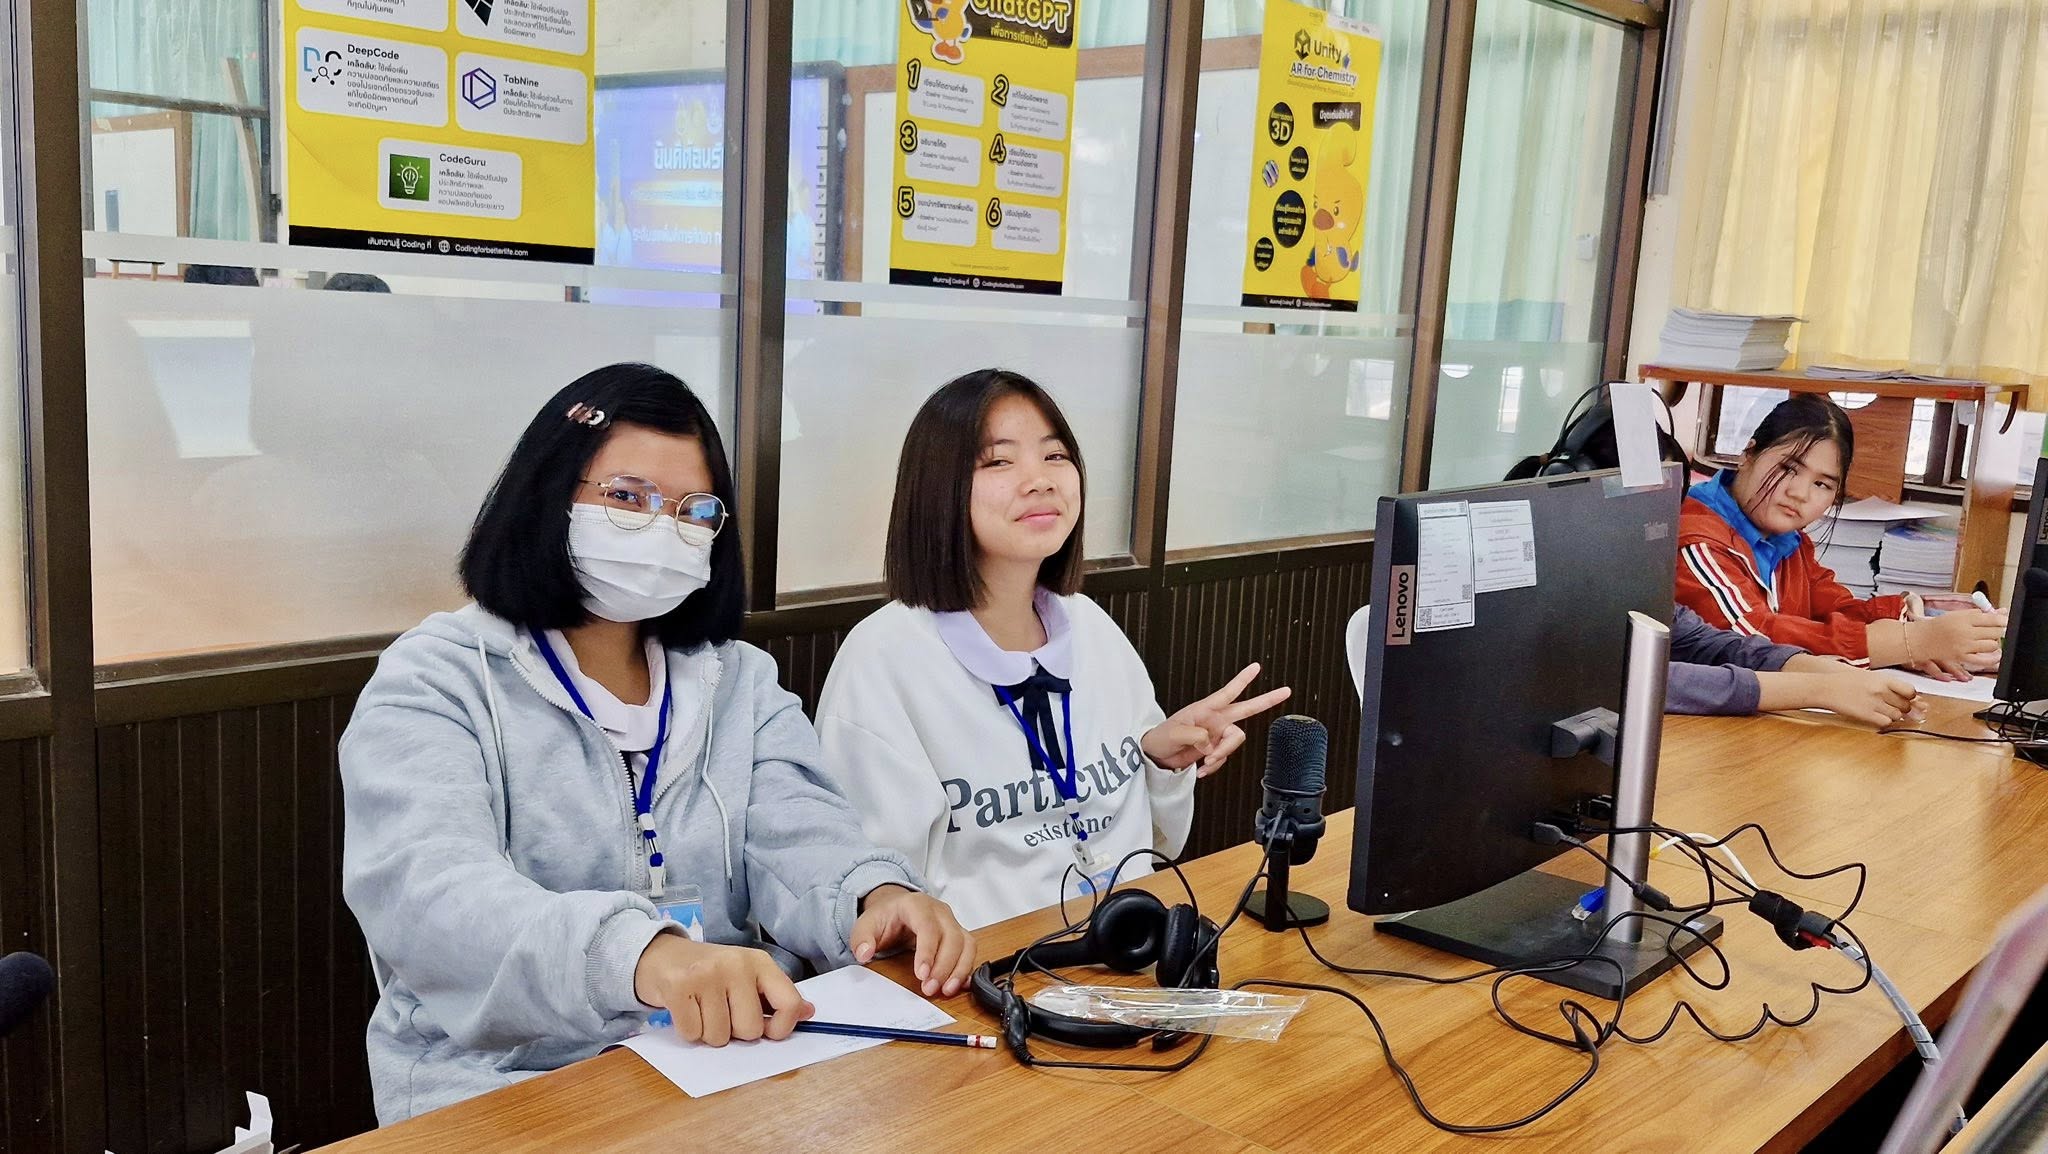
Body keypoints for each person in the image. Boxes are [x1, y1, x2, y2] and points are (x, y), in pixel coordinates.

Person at [339, 363, 974, 1124]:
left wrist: (873, 896)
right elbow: (432, 899)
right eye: (626, 497)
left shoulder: (735, 679)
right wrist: (641, 955)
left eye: (693, 510)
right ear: (547, 497)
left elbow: (801, 834)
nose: (663, 529)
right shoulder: (437, 681)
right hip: (500, 1084)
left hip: (722, 1061)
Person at [815, 369, 1292, 931]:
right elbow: (880, 893)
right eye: (998, 461)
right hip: (986, 964)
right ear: (937, 489)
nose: (1040, 481)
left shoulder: (1090, 626)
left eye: (1055, 456)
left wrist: (1160, 760)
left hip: (1126, 943)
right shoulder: (884, 658)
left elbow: (1159, 845)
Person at [1677, 394, 2004, 677]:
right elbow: (1752, 638)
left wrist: (1913, 620)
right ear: (1748, 454)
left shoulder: (1789, 541)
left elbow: (1838, 609)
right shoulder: (1696, 538)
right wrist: (1909, 642)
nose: (1800, 493)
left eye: (1822, 484)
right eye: (1788, 468)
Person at [1668, 604, 1921, 725]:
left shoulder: (1796, 546)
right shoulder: (1701, 538)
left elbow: (1697, 639)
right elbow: (1650, 679)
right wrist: (1822, 689)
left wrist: (1839, 675)